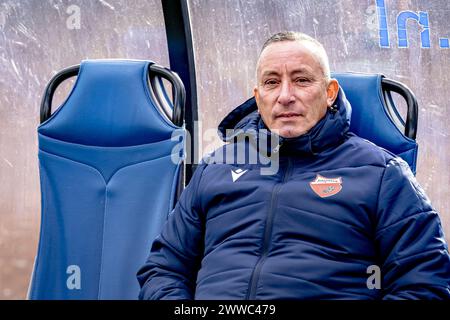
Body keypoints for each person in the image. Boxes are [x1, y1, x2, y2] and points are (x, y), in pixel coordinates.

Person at [137, 32, 450, 299]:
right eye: (272, 83)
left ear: (330, 93)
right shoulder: (215, 167)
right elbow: (163, 268)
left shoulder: (383, 174)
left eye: (301, 80)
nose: (285, 96)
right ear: (257, 96)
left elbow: (424, 281)